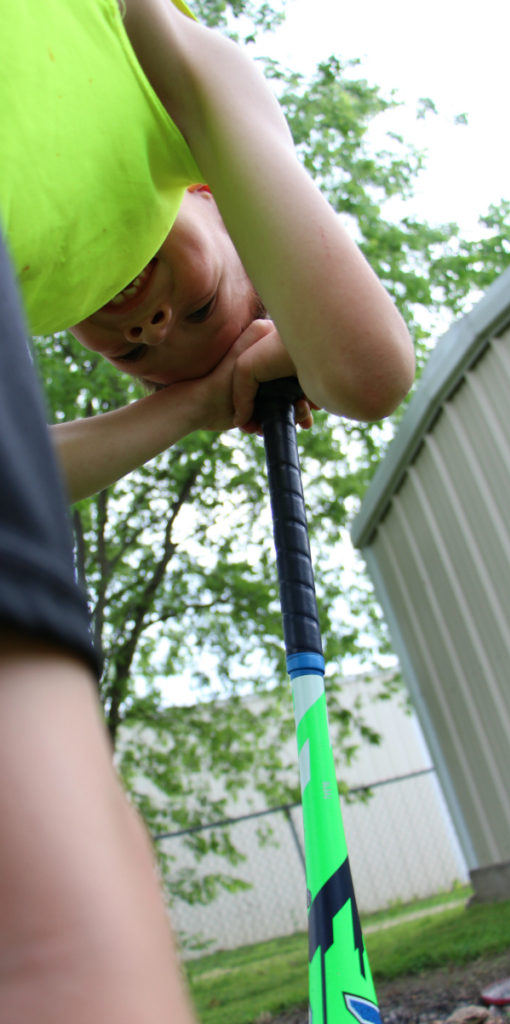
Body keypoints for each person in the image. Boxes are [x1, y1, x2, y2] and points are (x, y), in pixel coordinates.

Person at [0, 0, 415, 1021]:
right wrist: (286, 334)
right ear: (221, 206)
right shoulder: (179, 95)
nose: (148, 319)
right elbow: (367, 372)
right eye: (199, 305)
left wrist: (184, 404)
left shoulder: (31, 281)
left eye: (141, 350)